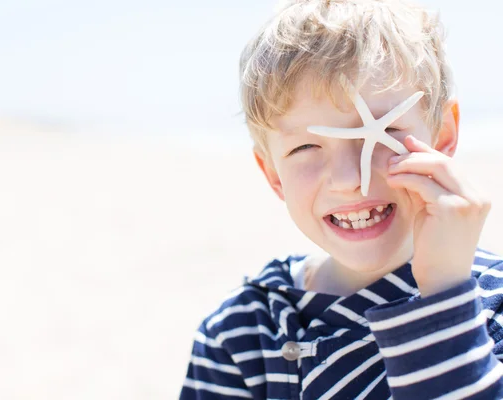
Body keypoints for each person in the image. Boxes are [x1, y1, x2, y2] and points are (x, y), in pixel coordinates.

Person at [179, 0, 503, 399]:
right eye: (306, 147)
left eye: (380, 135)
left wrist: (444, 295)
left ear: (443, 136)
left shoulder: (491, 309)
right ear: (272, 173)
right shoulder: (242, 334)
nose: (351, 180)